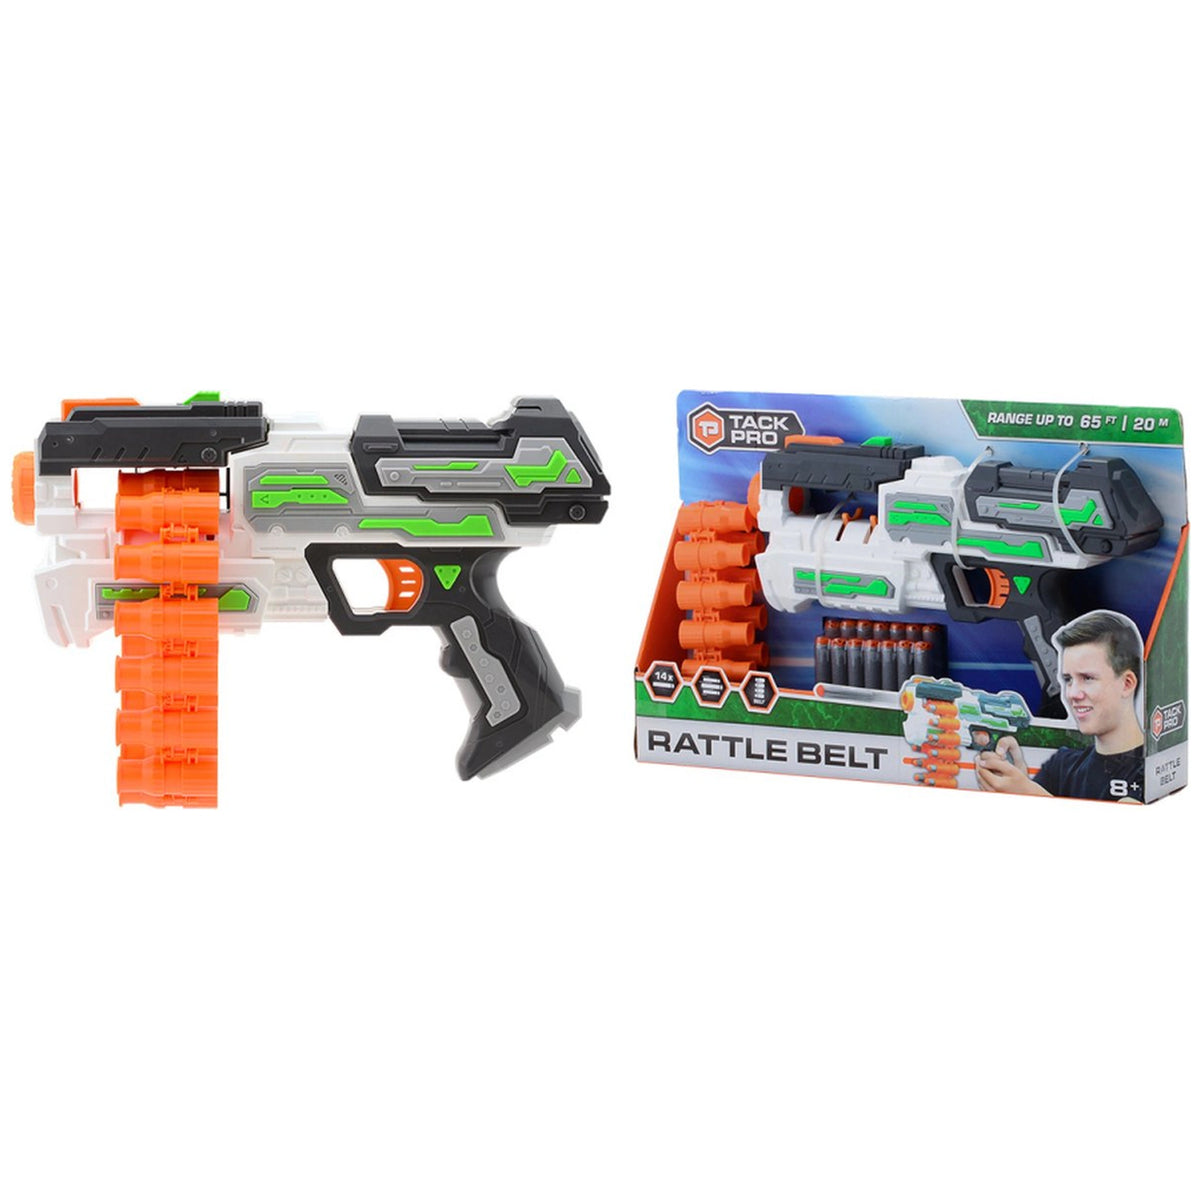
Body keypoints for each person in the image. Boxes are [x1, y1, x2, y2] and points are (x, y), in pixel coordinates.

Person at [976, 611, 1145, 801]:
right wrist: (1015, 784)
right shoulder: (1061, 765)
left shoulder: (1151, 770)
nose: (1072, 693)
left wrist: (1028, 793)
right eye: (1068, 679)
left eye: (1088, 678)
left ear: (1127, 683)